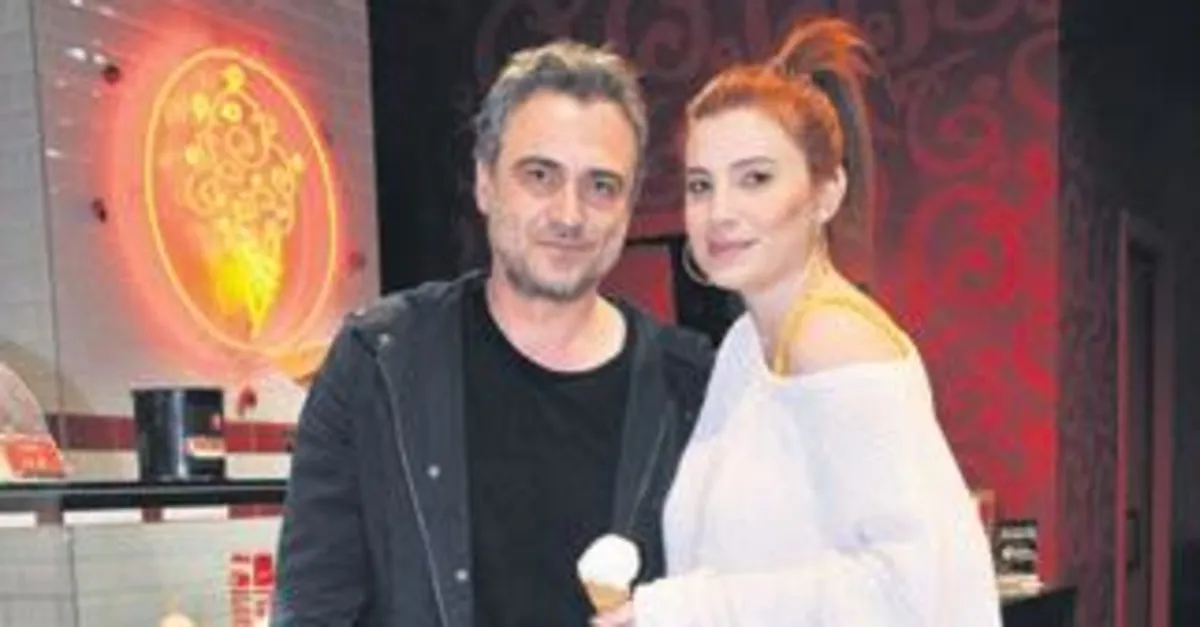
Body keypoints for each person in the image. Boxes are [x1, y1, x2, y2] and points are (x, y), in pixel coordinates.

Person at [272, 40, 714, 627]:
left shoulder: (691, 387)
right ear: (485, 181)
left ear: (629, 206)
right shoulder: (379, 365)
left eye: (601, 186)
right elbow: (312, 608)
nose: (569, 215)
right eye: (540, 175)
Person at [593, 17, 1002, 627]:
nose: (719, 211)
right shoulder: (745, 345)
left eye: (755, 179)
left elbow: (902, 592)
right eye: (701, 185)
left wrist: (678, 609)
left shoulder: (836, 343)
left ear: (826, 193)